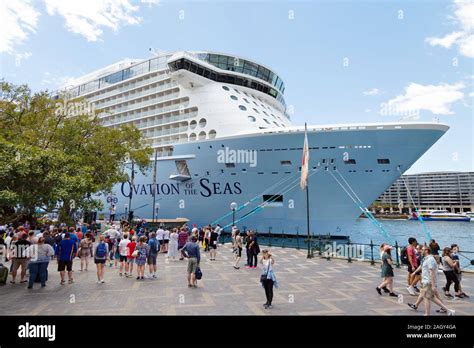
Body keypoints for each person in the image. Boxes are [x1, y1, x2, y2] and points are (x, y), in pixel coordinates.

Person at [408, 246, 454, 316]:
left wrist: (433, 285)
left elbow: (431, 272)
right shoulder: (425, 258)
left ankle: (427, 314)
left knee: (427, 298)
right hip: (425, 281)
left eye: (422, 250)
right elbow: (421, 266)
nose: (420, 251)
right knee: (431, 298)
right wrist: (414, 272)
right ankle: (448, 311)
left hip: (428, 282)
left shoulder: (430, 259)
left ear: (426, 251)